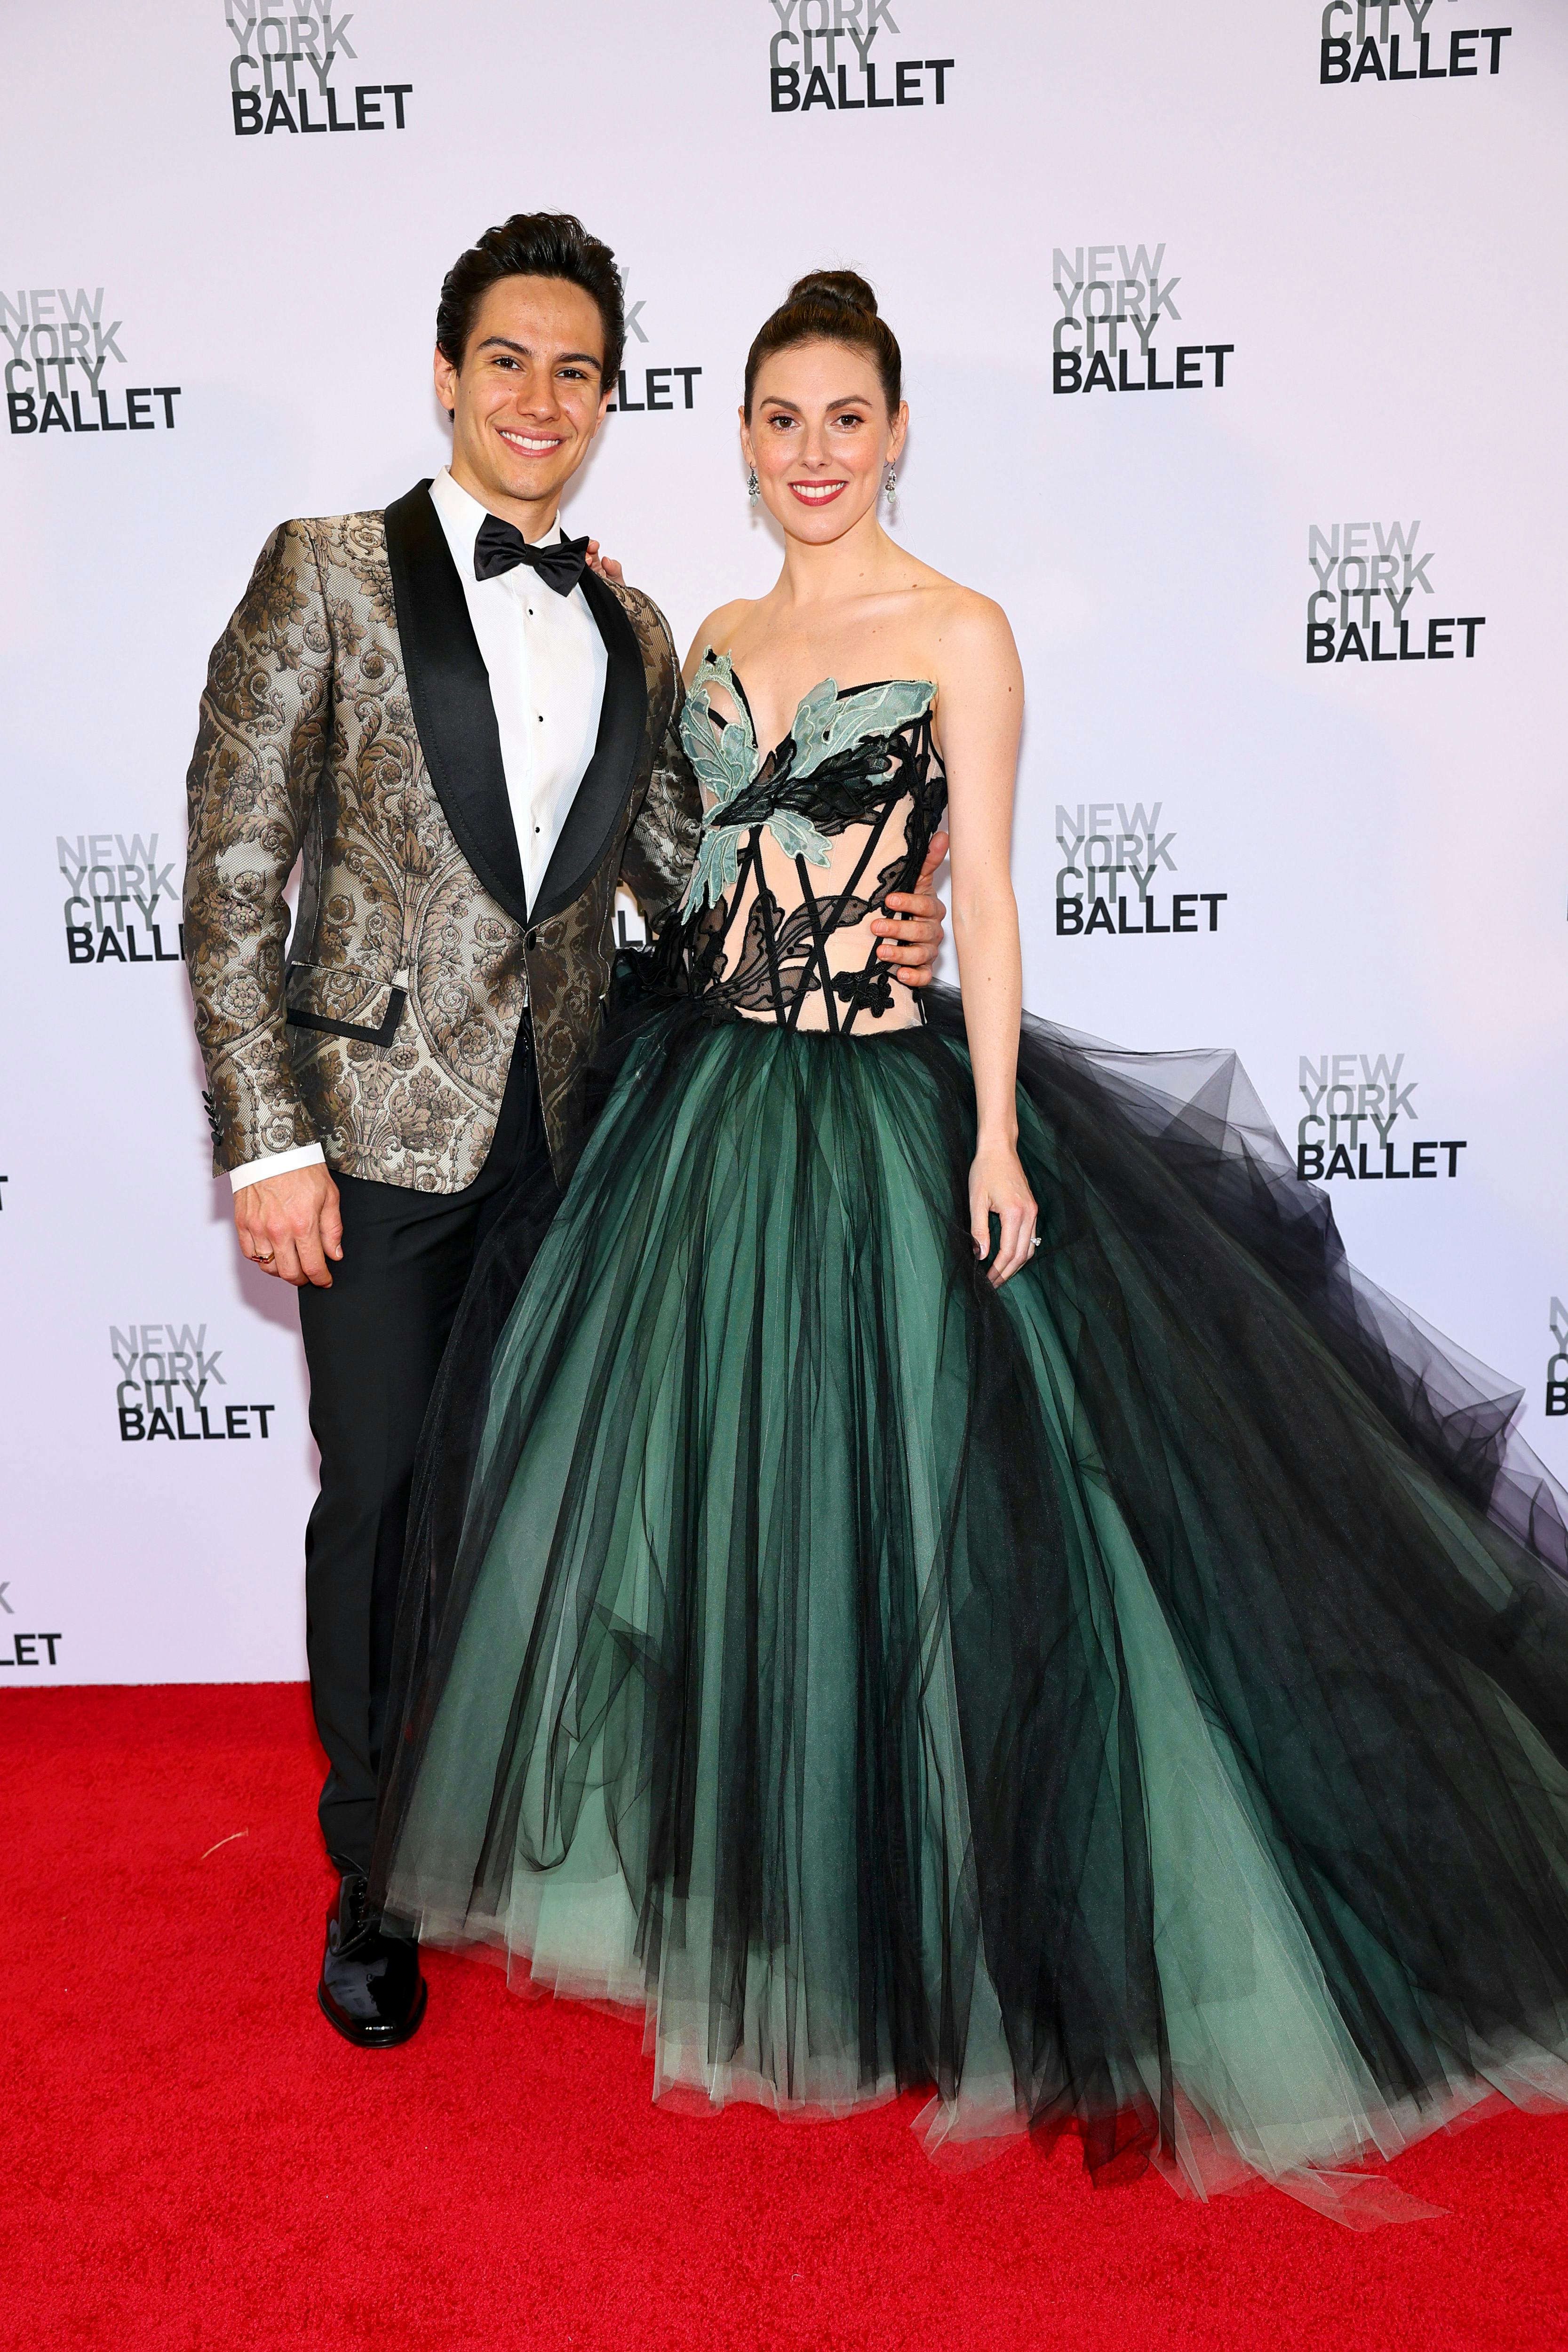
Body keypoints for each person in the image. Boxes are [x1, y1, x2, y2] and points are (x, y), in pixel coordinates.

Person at [371, 270, 1568, 2218]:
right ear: (742, 435)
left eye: (848, 416)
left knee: (931, 1533)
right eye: (781, 418)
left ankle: (936, 1921)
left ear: (897, 429)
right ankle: (775, 1898)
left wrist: (999, 1133)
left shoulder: (962, 633)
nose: (815, 452)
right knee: (751, 1542)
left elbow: (990, 901)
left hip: (888, 1106)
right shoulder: (719, 636)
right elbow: (669, 878)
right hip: (711, 1110)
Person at [182, 222, 949, 2052]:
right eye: (509, 361)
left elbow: (690, 864)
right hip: (370, 1126)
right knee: (376, 1495)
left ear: (612, 401)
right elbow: (227, 871)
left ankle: (494, 1831)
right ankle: (372, 1875)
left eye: (579, 371)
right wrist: (262, 1137)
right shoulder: (326, 571)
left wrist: (869, 914)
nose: (542, 398)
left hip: (572, 1131)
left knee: (523, 1506)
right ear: (447, 375)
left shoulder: (627, 615)